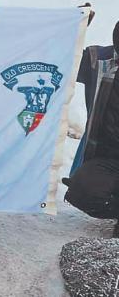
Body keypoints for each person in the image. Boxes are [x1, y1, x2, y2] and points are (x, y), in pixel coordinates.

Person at [63, 21, 119, 223]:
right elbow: (59, 58)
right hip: (109, 160)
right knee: (83, 189)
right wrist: (72, 26)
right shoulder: (99, 60)